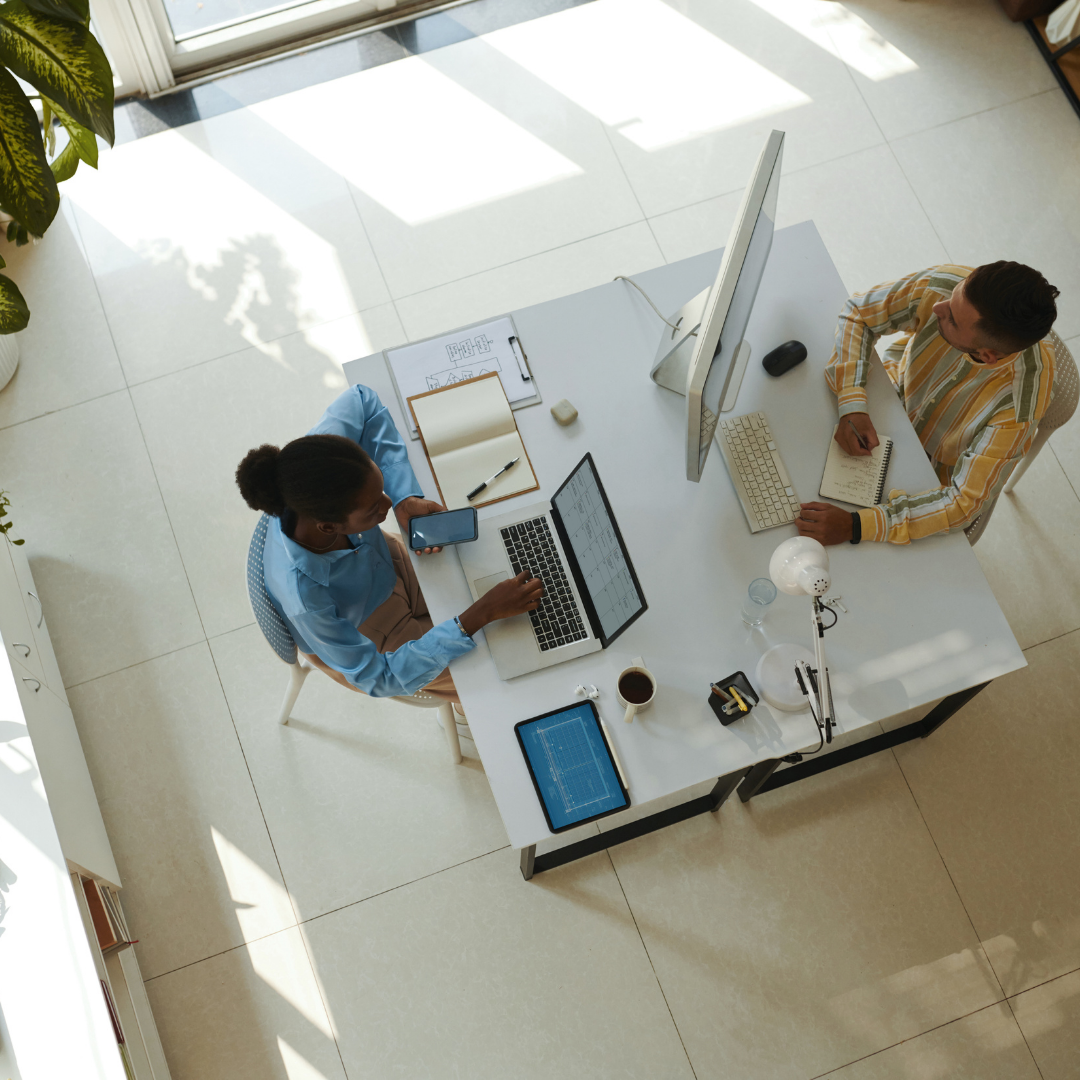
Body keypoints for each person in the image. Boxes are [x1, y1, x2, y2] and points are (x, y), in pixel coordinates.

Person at [236, 384, 542, 704]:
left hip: (389, 564)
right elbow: (380, 677)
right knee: (496, 676)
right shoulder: (306, 600)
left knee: (512, 601)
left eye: (383, 492)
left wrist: (404, 497)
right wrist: (481, 613)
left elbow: (363, 400)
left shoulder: (318, 463)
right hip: (367, 634)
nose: (386, 506)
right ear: (329, 526)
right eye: (373, 509)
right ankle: (468, 718)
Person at [797, 261, 1059, 546]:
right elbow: (859, 313)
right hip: (889, 396)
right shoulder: (944, 286)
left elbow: (963, 505)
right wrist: (852, 402)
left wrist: (856, 526)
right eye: (955, 294)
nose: (938, 307)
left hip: (931, 468)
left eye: (953, 321)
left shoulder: (1019, 405)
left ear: (986, 356)